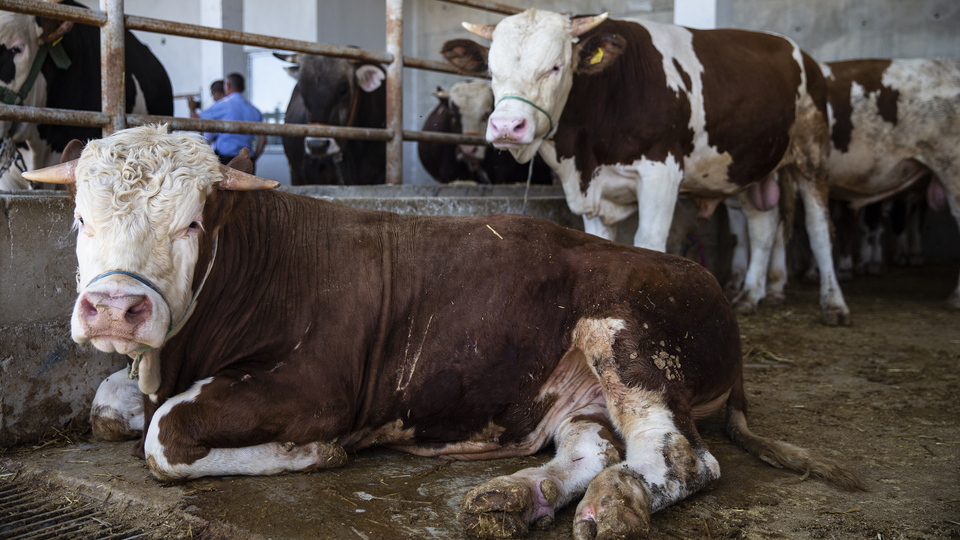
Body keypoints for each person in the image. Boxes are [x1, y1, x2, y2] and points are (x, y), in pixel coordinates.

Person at [187, 73, 267, 169]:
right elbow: (263, 139)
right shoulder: (255, 110)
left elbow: (197, 120)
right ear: (244, 88)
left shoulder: (223, 105)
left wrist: (191, 108)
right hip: (248, 159)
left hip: (227, 159)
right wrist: (254, 159)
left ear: (228, 86)